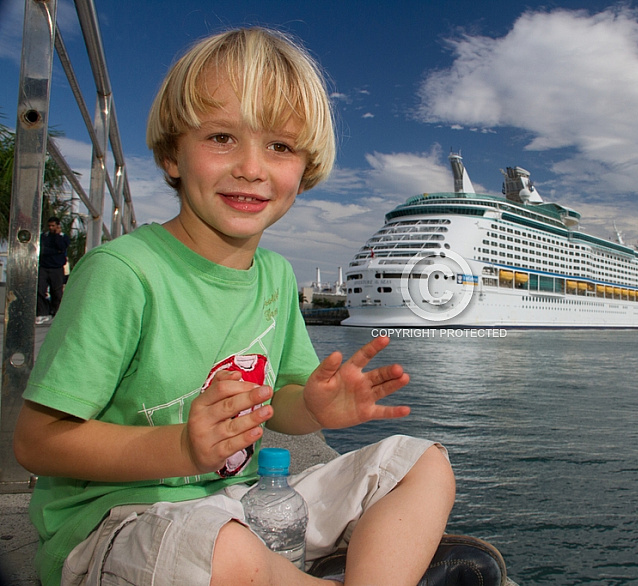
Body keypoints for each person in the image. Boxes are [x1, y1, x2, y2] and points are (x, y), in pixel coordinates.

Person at [13, 28, 504, 586]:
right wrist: (179, 446)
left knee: (423, 464)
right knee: (226, 552)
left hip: (236, 503)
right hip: (116, 523)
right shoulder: (124, 273)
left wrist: (316, 407)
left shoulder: (274, 274)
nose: (252, 167)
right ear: (173, 154)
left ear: (305, 168)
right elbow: (37, 442)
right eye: (222, 137)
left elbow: (285, 403)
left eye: (280, 146)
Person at [36, 216, 70, 323]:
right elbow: (43, 250)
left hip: (57, 268)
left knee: (56, 292)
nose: (51, 228)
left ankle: (56, 313)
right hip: (44, 267)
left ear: (57, 225)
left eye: (53, 226)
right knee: (40, 289)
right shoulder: (44, 236)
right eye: (49, 225)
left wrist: (57, 236)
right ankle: (42, 312)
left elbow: (62, 248)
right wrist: (54, 251)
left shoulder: (63, 237)